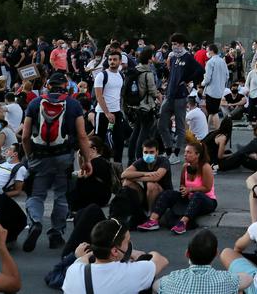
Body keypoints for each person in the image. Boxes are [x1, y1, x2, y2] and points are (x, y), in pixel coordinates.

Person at [21, 71, 94, 253]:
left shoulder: (35, 103)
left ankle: (36, 223)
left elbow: (25, 136)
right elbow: (83, 136)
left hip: (39, 156)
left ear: (47, 86)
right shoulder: (74, 104)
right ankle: (56, 234)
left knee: (36, 195)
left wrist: (30, 156)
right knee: (61, 196)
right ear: (66, 87)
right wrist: (87, 160)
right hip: (63, 157)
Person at [62, 217, 169, 294]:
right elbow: (161, 260)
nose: (130, 244)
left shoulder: (74, 270)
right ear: (114, 251)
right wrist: (138, 255)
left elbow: (83, 259)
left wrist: (84, 255)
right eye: (127, 241)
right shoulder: (130, 272)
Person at [138, 142, 217, 234]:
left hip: (207, 200)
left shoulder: (205, 167)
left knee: (197, 195)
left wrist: (190, 189)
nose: (185, 154)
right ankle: (153, 220)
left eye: (189, 152)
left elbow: (207, 188)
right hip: (189, 197)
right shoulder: (185, 167)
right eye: (185, 152)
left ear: (197, 155)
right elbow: (182, 185)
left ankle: (183, 223)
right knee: (168, 193)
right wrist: (184, 190)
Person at [154, 229, 251, 294]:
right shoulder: (227, 279)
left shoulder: (172, 279)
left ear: (187, 253)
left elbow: (155, 285)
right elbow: (248, 279)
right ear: (216, 254)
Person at [159, 34, 204, 163]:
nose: (174, 46)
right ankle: (168, 149)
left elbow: (200, 70)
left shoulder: (188, 57)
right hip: (169, 94)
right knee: (162, 124)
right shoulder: (173, 58)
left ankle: (176, 153)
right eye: (173, 44)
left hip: (181, 96)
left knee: (180, 126)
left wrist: (187, 80)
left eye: (177, 44)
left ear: (182, 44)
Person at [94, 50, 132, 162]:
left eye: (115, 59)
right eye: (110, 59)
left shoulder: (121, 75)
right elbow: (99, 96)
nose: (112, 62)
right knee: (99, 142)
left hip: (116, 112)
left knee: (119, 141)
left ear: (120, 61)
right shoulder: (101, 75)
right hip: (102, 112)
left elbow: (119, 95)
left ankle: (117, 167)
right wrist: (107, 113)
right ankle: (99, 166)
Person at [122, 138, 174, 212]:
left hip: (165, 196)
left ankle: (150, 214)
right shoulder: (141, 161)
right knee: (127, 182)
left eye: (151, 152)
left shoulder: (163, 161)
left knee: (150, 184)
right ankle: (138, 210)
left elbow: (155, 178)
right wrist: (145, 173)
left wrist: (135, 178)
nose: (148, 154)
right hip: (149, 195)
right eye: (146, 152)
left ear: (157, 152)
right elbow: (124, 174)